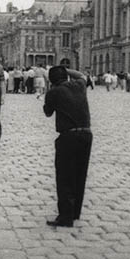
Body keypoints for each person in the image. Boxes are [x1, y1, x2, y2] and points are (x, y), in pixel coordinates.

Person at [43, 66, 92, 228]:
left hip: (68, 137)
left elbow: (48, 113)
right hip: (86, 135)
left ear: (52, 81)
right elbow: (81, 75)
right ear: (66, 76)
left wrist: (48, 91)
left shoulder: (53, 92)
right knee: (80, 175)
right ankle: (75, 213)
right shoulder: (79, 85)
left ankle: (65, 217)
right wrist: (66, 69)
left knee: (65, 178)